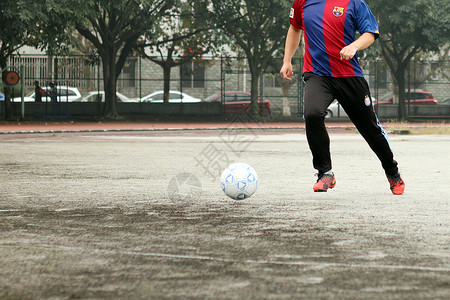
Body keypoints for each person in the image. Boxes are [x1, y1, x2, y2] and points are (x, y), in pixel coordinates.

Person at [280, 0, 405, 195]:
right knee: (312, 114)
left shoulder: (354, 2)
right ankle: (325, 172)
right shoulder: (302, 2)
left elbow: (370, 32)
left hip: (349, 76)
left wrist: (354, 46)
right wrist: (287, 60)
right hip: (317, 74)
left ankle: (392, 172)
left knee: (370, 128)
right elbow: (295, 28)